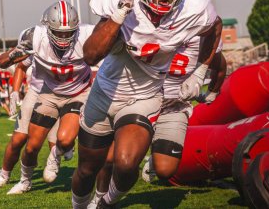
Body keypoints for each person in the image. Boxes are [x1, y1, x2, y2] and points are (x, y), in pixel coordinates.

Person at [71, 0, 222, 209]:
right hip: (105, 94)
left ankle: (106, 203)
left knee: (127, 163)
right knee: (86, 169)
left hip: (145, 96)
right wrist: (120, 11)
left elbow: (215, 26)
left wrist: (199, 73)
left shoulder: (195, 9)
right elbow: (90, 56)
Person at [87, 38, 227, 207]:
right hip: (137, 103)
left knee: (165, 170)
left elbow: (220, 68)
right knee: (110, 158)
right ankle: (101, 198)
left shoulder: (201, 36)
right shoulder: (148, 28)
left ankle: (112, 196)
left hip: (173, 108)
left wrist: (211, 93)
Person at [0, 1, 94, 194]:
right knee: (31, 146)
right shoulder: (35, 36)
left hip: (78, 93)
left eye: (69, 32)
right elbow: (3, 63)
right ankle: (25, 181)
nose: (64, 37)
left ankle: (54, 156)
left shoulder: (87, 34)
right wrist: (13, 55)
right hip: (49, 93)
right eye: (59, 32)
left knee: (65, 141)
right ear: (48, 27)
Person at [0, 58, 69, 193]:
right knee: (19, 138)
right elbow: (20, 66)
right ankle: (5, 175)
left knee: (57, 141)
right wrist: (15, 91)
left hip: (63, 95)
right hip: (36, 93)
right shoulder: (37, 39)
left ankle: (55, 161)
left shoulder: (75, 42)